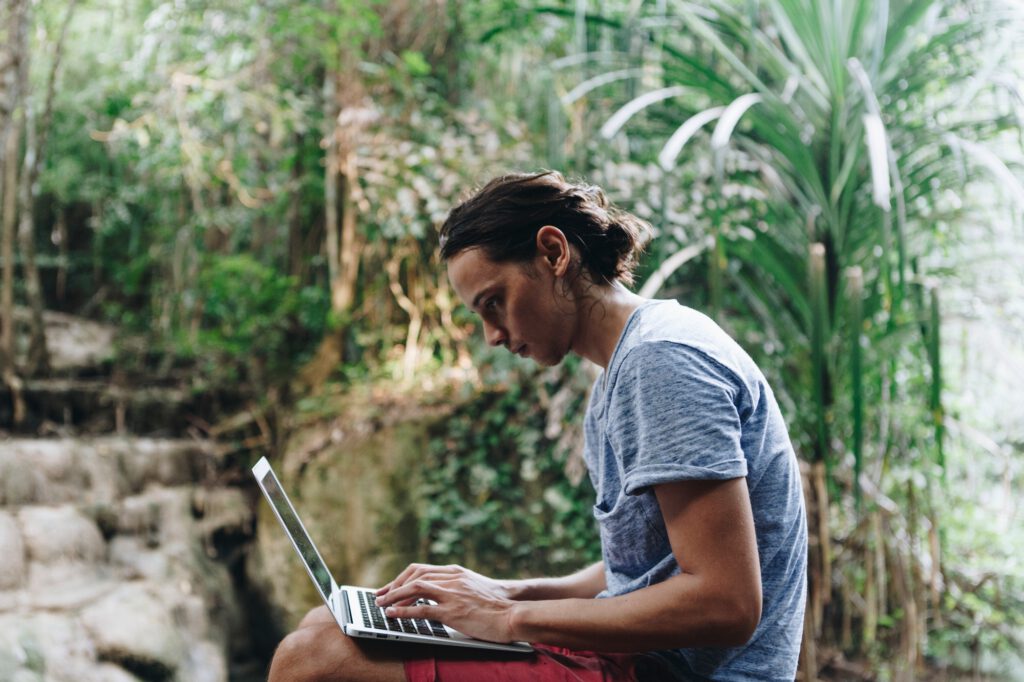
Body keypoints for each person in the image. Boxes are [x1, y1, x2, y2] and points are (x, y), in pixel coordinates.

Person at [268, 171, 807, 681]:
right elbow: (645, 570)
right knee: (324, 625)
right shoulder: (622, 372)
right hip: (644, 661)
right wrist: (510, 592)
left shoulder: (661, 359)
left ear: (553, 253)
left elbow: (725, 602)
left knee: (312, 660)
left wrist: (506, 620)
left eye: (494, 302)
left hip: (679, 672)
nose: (492, 336)